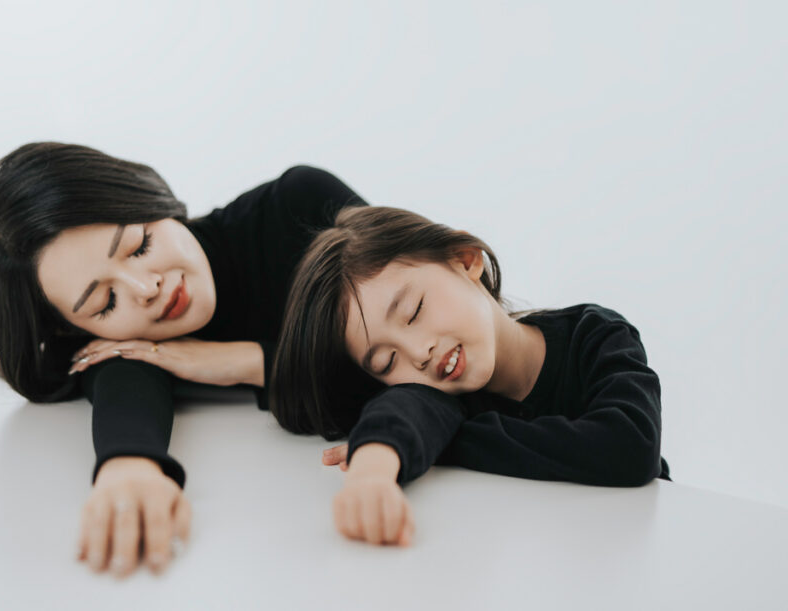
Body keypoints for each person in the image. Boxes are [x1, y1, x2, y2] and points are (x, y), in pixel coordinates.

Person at [0, 142, 365, 575]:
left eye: (140, 246)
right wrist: (128, 468)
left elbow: (421, 363)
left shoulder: (301, 206)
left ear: (151, 200)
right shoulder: (120, 343)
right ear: (76, 330)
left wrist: (243, 361)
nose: (146, 289)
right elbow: (124, 381)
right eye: (105, 302)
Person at [270, 206, 669, 548]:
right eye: (387, 363)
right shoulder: (440, 394)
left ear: (464, 259)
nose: (419, 353)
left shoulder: (596, 334)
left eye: (413, 311)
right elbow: (401, 412)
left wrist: (448, 445)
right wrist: (371, 472)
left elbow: (630, 446)